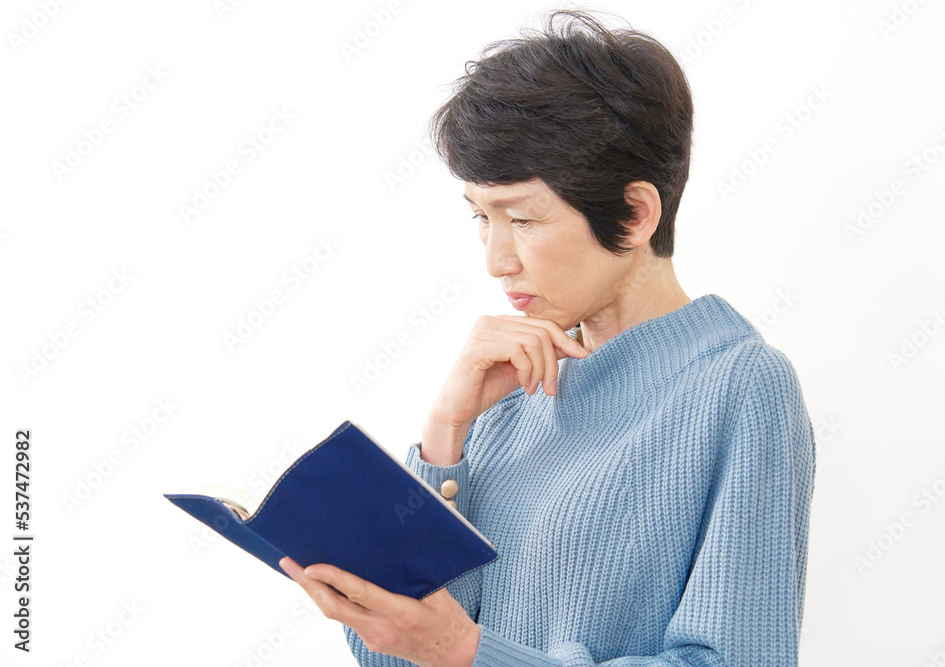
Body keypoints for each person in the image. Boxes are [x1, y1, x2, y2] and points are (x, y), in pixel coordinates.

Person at [280, 8, 816, 667]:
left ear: (635, 213)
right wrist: (445, 435)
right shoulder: (508, 389)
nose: (495, 259)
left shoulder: (740, 386)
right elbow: (393, 658)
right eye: (481, 217)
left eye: (523, 219)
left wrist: (467, 649)